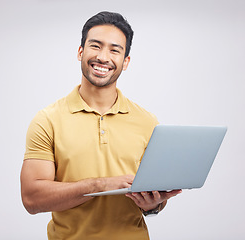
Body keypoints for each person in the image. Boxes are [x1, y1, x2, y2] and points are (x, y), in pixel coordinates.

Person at [20, 11, 182, 240]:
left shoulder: (148, 123)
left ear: (125, 62)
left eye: (115, 50)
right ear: (80, 52)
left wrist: (153, 205)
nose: (103, 57)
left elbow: (153, 200)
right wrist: (99, 185)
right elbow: (32, 199)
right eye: (95, 46)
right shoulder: (47, 120)